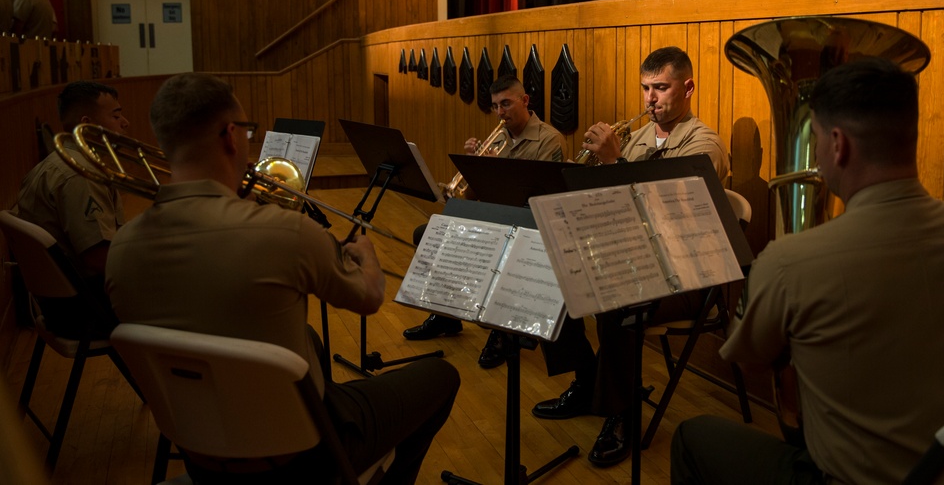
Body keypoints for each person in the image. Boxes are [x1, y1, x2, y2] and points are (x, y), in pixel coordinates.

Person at [105, 73, 459, 484]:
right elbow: (368, 297)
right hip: (303, 458)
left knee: (309, 340)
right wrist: (367, 257)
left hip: (201, 452)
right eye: (249, 132)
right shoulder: (285, 233)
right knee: (442, 378)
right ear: (230, 136)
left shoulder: (122, 248)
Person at [671, 58, 944, 484]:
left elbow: (749, 359)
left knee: (693, 435)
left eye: (817, 139)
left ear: (839, 144)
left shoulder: (789, 260)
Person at [531, 46, 730, 467]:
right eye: (645, 88)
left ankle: (622, 413)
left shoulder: (704, 143)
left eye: (661, 87)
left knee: (617, 293)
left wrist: (614, 162)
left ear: (688, 88)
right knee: (554, 269)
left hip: (687, 275)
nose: (650, 99)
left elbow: (669, 215)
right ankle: (588, 380)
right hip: (635, 259)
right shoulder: (637, 137)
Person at [403, 75, 567, 369]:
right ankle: (446, 316)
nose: (500, 113)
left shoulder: (550, 139)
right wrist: (475, 168)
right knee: (426, 233)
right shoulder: (500, 138)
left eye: (506, 103)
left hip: (526, 229)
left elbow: (537, 201)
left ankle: (501, 333)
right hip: (494, 220)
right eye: (495, 106)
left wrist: (497, 170)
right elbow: (476, 196)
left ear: (525, 101)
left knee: (502, 258)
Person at [12, 81, 129, 336]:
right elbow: (98, 257)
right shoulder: (81, 174)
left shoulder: (54, 162)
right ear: (87, 125)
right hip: (84, 310)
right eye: (116, 115)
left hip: (61, 305)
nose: (125, 123)